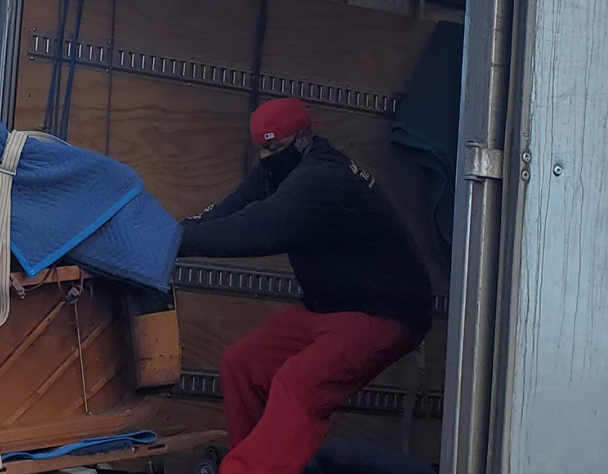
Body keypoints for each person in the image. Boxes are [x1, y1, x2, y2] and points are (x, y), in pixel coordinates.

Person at [177, 98, 433, 474]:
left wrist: (178, 243)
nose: (265, 157)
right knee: (242, 364)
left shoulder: (324, 179)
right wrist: (171, 234)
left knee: (298, 385)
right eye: (261, 149)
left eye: (274, 148)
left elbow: (258, 228)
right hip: (328, 307)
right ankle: (261, 463)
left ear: (302, 139)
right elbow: (228, 211)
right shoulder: (278, 168)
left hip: (384, 314)